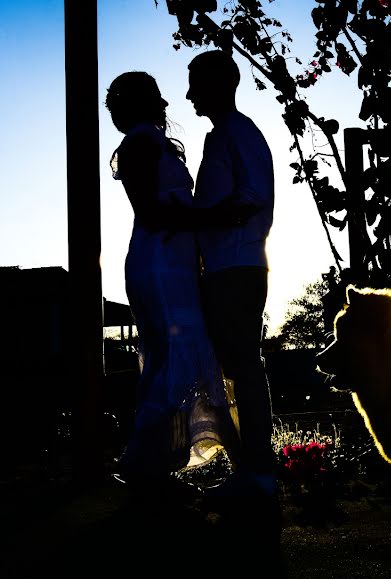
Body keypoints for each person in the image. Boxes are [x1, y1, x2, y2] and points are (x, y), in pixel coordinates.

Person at [104, 71, 250, 501]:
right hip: (158, 261)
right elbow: (151, 212)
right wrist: (215, 217)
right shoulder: (138, 144)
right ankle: (154, 464)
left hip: (176, 263)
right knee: (174, 355)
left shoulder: (148, 141)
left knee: (185, 354)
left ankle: (160, 464)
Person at [186, 50, 278, 500]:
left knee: (243, 367)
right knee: (234, 368)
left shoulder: (239, 133)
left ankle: (258, 472)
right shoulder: (223, 135)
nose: (188, 96)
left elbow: (254, 197)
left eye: (195, 85)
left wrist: (197, 219)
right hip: (225, 267)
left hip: (237, 267)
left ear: (219, 85)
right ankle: (251, 468)